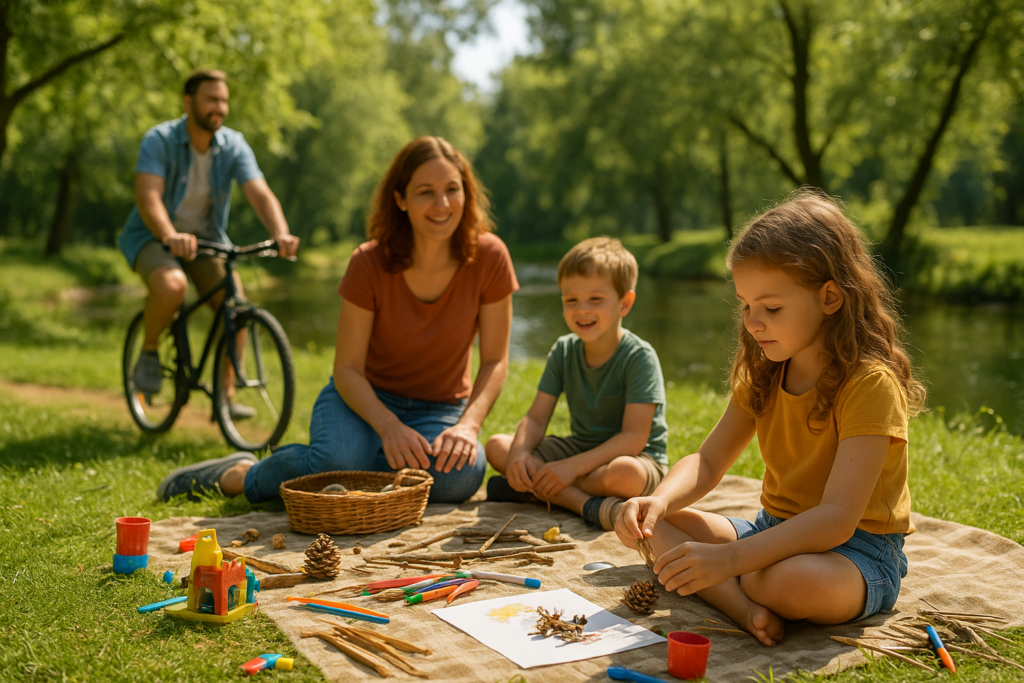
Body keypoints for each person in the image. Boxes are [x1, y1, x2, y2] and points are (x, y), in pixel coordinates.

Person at [615, 191, 926, 646]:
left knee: (780, 582)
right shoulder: (764, 374)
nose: (753, 322)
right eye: (745, 305)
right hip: (771, 532)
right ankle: (744, 608)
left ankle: (741, 588)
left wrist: (733, 559)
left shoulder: (869, 383)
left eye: (772, 308)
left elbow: (838, 518)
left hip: (856, 552)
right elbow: (706, 461)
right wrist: (658, 500)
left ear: (830, 297)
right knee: (660, 526)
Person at [156, 136, 518, 504]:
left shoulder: (490, 256)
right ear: (401, 199)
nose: (442, 204)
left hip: (439, 408)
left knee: (460, 477)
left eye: (452, 190)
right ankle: (240, 475)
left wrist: (468, 426)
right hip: (362, 399)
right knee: (339, 463)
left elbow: (495, 360)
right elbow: (346, 369)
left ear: (465, 194)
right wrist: (389, 427)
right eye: (425, 192)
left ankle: (359, 471)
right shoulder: (368, 262)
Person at [118, 69, 299, 409]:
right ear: (188, 103)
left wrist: (280, 233)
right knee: (172, 287)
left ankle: (224, 396)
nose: (220, 107)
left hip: (207, 241)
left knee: (237, 308)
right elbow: (148, 197)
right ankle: (149, 352)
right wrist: (170, 235)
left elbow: (259, 192)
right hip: (154, 236)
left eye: (224, 100)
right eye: (212, 100)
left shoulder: (233, 145)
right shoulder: (159, 140)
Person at [485, 237, 669, 531]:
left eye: (595, 299)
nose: (581, 309)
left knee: (624, 475)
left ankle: (541, 490)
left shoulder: (639, 356)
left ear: (625, 302)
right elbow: (535, 417)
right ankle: (584, 503)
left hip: (635, 457)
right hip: (582, 449)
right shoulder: (563, 350)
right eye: (571, 300)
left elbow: (633, 437)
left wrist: (570, 469)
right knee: (498, 446)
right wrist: (519, 455)